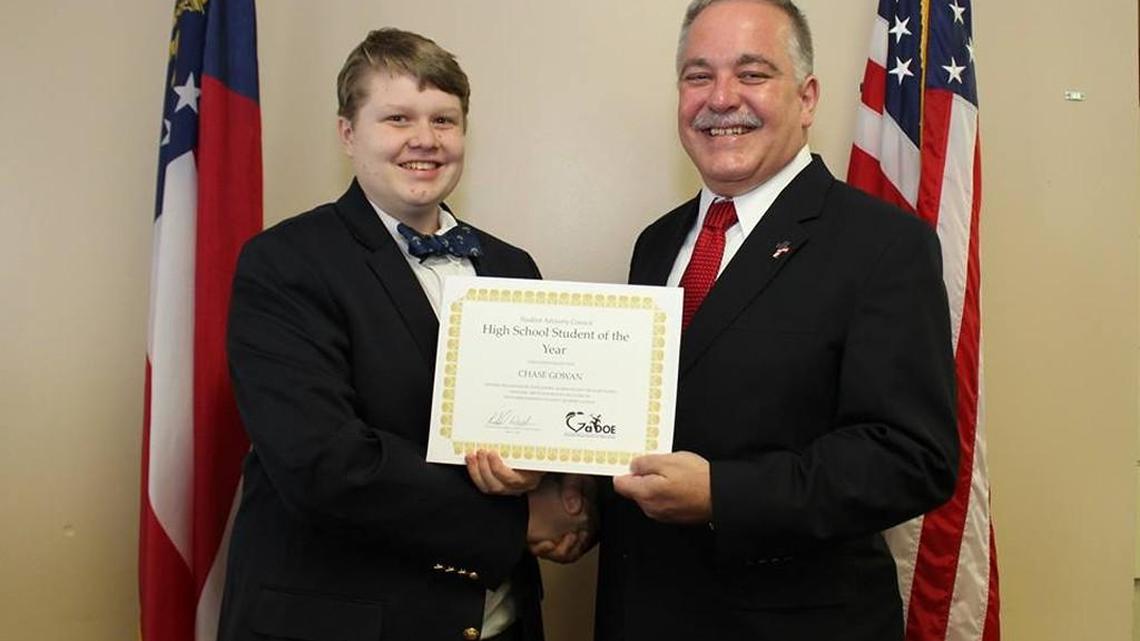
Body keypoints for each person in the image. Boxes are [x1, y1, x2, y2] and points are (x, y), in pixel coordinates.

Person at [594, 1, 960, 639]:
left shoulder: (884, 245)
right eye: (697, 75)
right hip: (644, 609)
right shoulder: (656, 243)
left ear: (808, 97)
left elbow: (911, 457)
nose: (721, 98)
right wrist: (572, 498)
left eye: (753, 73)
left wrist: (724, 495)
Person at [217, 28, 585, 641]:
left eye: (444, 119)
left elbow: (542, 423)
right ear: (347, 132)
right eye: (397, 118)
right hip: (345, 624)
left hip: (501, 622)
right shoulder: (283, 263)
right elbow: (323, 465)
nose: (425, 140)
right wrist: (518, 520)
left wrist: (569, 492)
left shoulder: (512, 266)